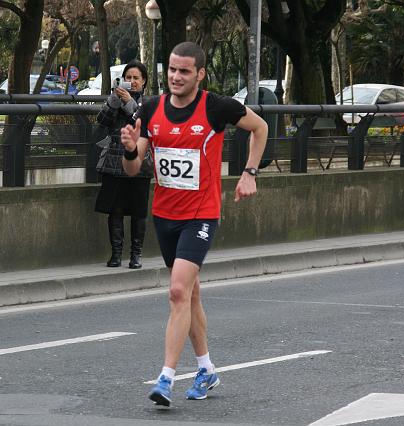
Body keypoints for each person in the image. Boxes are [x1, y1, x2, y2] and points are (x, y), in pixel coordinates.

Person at [120, 42, 268, 406]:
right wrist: (128, 148)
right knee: (190, 293)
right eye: (172, 69)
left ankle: (166, 378)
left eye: (184, 71)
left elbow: (260, 127)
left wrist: (249, 173)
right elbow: (134, 168)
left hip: (201, 214)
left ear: (200, 74)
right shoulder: (151, 108)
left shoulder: (216, 107)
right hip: (165, 215)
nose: (176, 76)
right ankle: (206, 369)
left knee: (176, 292)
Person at [95, 60, 153, 269]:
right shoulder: (116, 100)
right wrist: (114, 99)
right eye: (128, 78)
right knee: (115, 209)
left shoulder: (148, 103)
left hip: (139, 162)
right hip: (114, 162)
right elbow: (102, 120)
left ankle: (136, 255)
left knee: (138, 211)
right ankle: (116, 254)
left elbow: (144, 123)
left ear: (144, 81)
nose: (132, 82)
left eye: (136, 78)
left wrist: (130, 102)